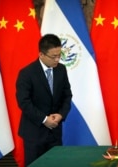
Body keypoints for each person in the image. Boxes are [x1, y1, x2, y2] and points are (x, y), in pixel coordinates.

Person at [16, 34, 72, 166]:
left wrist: (61, 115)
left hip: (55, 133)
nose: (57, 59)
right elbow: (24, 102)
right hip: (34, 134)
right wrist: (44, 119)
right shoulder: (27, 73)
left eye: (59, 55)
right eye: (54, 56)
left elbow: (67, 95)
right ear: (41, 54)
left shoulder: (61, 70)